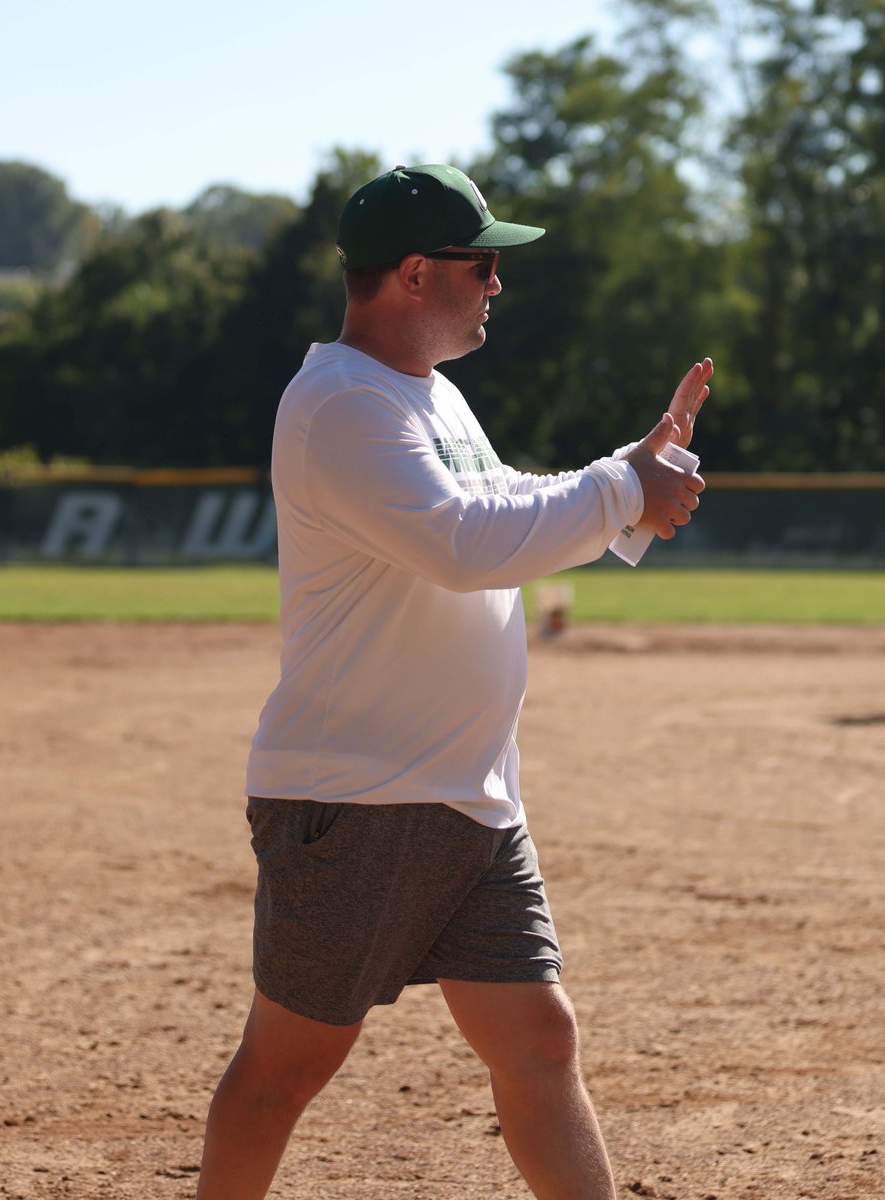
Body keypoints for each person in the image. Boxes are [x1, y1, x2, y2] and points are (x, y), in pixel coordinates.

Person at [196, 163, 712, 1200]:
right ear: (416, 273)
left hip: (467, 794)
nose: (496, 283)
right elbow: (462, 543)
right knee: (286, 1069)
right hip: (358, 799)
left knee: (539, 1041)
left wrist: (629, 472)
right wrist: (622, 489)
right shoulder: (340, 402)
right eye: (481, 264)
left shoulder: (427, 393)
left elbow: (500, 500)